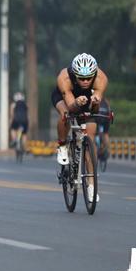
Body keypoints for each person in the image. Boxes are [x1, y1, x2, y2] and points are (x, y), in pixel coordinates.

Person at [50, 53, 109, 202]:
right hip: (65, 97)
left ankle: (91, 185)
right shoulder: (64, 78)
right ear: (75, 74)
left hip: (87, 97)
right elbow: (71, 107)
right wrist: (76, 103)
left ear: (94, 74)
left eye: (89, 78)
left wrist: (95, 102)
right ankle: (62, 146)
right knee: (65, 114)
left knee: (90, 136)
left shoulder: (101, 78)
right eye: (81, 78)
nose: (85, 81)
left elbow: (94, 110)